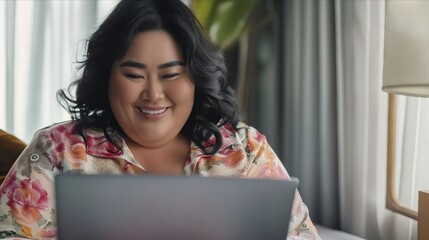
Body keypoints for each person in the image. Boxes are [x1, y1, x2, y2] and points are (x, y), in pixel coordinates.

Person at [0, 0, 321, 239]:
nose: (153, 94)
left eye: (171, 74)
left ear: (196, 77)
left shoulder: (246, 150)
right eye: (133, 74)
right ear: (106, 77)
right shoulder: (57, 151)